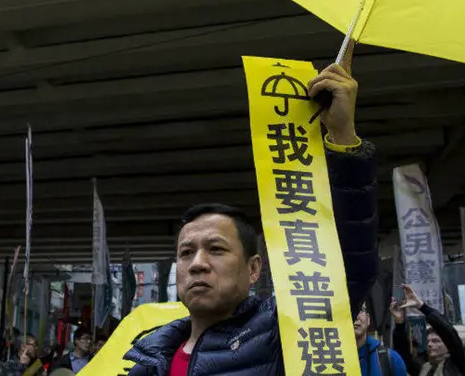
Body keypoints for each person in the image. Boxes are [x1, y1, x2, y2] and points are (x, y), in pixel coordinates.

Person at [125, 63, 380, 375]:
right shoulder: (146, 360)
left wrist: (342, 136)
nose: (197, 264)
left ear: (254, 268)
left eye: (216, 249)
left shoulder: (280, 333)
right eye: (186, 252)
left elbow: (348, 265)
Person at [391, 285, 465, 376]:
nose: (429, 344)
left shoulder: (457, 364)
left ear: (448, 346)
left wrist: (422, 307)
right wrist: (399, 324)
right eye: (428, 341)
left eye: (435, 341)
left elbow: (449, 333)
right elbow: (404, 360)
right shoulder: (425, 369)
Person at [355, 302, 407, 376]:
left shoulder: (390, 358)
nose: (356, 316)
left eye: (360, 310)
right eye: (349, 310)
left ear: (368, 319)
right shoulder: (334, 358)